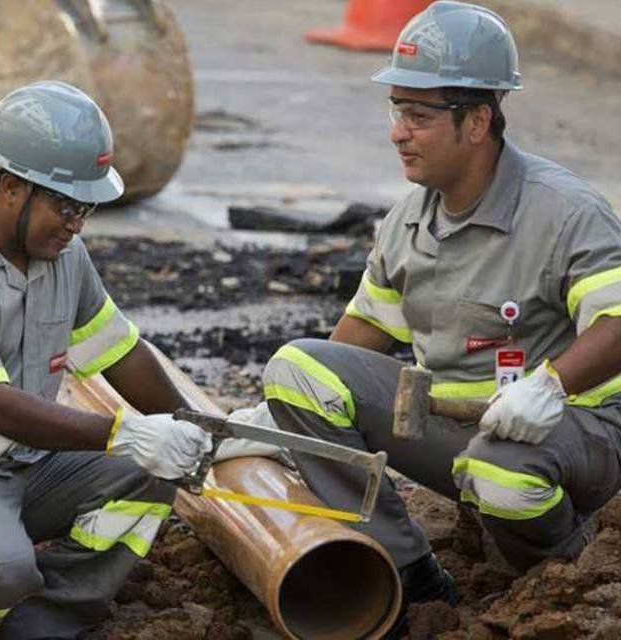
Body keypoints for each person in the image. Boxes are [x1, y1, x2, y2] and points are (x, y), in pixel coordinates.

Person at [260, 0, 621, 624]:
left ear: (478, 121)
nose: (398, 130)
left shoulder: (564, 212)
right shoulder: (410, 219)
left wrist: (551, 386)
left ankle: (560, 571)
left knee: (503, 475)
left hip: (576, 432)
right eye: (397, 109)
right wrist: (271, 419)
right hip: (460, 430)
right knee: (298, 368)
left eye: (419, 114)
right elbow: (361, 335)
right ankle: (411, 573)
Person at [0, 80, 216, 640]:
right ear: (9, 187)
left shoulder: (63, 259)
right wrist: (125, 434)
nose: (78, 224)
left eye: (87, 208)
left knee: (150, 475)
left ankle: (42, 618)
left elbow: (120, 354)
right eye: (67, 205)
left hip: (28, 466)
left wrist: (205, 429)